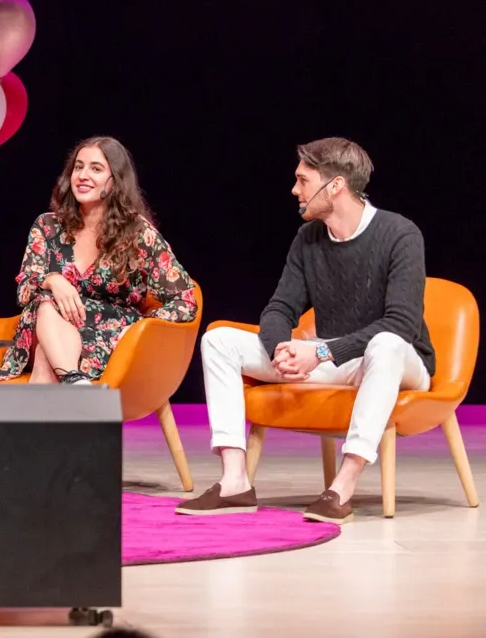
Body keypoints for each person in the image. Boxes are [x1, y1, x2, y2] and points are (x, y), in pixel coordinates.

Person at [178, 138, 433, 524]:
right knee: (219, 340)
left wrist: (320, 353)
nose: (294, 190)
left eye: (302, 179)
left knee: (386, 343)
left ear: (335, 185)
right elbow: (281, 307)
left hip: (398, 362)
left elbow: (401, 324)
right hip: (334, 357)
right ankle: (234, 481)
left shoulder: (400, 234)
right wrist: (282, 347)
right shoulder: (308, 238)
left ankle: (342, 487)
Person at [0, 136, 198, 385]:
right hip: (46, 327)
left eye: (96, 168)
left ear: (115, 181)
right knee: (46, 303)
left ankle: (67, 391)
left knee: (47, 356)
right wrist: (53, 280)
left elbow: (185, 300)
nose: (83, 175)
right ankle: (76, 385)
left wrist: (140, 329)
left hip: (104, 339)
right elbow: (24, 292)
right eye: (78, 166)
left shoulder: (138, 234)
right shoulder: (48, 226)